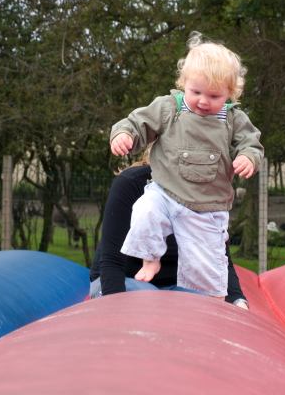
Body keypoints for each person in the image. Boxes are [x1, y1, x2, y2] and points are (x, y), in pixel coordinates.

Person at [109, 31, 263, 298]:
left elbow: (251, 143)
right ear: (184, 83)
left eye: (214, 96)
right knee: (145, 211)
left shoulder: (233, 120)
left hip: (206, 207)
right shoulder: (169, 108)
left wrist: (247, 157)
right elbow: (137, 123)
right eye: (196, 92)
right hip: (165, 192)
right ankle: (150, 258)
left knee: (204, 264)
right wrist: (124, 135)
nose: (203, 101)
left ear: (230, 93)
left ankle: (211, 299)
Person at [88, 164, 249, 309]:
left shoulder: (205, 192)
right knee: (150, 302)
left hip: (175, 287)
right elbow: (111, 261)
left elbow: (219, 257)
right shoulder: (132, 183)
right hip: (123, 280)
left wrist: (237, 300)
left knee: (206, 307)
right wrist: (114, 307)